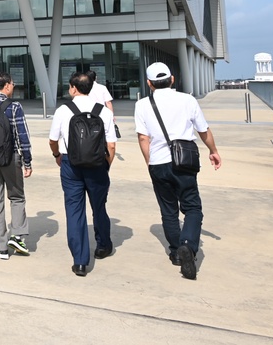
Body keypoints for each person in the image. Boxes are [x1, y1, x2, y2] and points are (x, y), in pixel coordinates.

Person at [134, 62, 222, 280]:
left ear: (149, 83)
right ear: (172, 79)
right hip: (185, 162)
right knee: (192, 207)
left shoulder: (143, 104)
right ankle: (188, 246)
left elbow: (143, 137)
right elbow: (203, 129)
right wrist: (213, 150)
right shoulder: (187, 100)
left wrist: (149, 161)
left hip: (158, 163)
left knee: (168, 210)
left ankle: (175, 253)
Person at [48, 72, 117, 277]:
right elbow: (111, 145)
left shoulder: (63, 110)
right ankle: (103, 245)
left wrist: (57, 155)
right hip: (97, 165)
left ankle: (79, 261)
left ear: (74, 88)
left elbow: (53, 140)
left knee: (74, 210)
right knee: (99, 207)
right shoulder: (103, 111)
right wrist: (106, 165)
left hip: (71, 164)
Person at [0, 73, 32, 259]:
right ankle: (17, 237)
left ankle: (1, 248)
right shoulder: (14, 107)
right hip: (10, 158)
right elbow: (23, 136)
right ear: (7, 86)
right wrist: (27, 161)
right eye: (12, 83)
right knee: (17, 197)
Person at [87, 70, 118, 137]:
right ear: (96, 78)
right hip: (101, 113)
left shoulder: (85, 88)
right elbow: (108, 102)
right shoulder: (102, 87)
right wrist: (112, 115)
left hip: (88, 114)